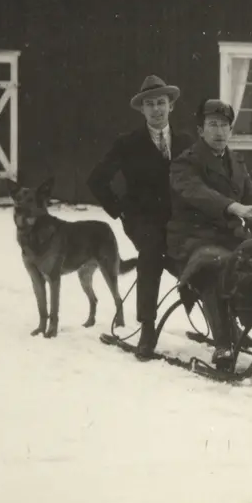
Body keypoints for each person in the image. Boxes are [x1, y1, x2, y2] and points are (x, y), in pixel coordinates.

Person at [167, 98, 252, 371]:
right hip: (193, 240)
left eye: (224, 125)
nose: (219, 131)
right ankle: (223, 344)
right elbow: (198, 193)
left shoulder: (237, 163)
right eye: (212, 125)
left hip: (230, 239)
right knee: (216, 266)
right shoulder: (185, 163)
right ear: (200, 130)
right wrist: (233, 206)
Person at [88, 75, 194, 359]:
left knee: (193, 259)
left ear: (171, 105)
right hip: (142, 220)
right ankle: (147, 328)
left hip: (178, 220)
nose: (156, 109)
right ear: (142, 110)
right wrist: (120, 209)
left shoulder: (187, 141)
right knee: (152, 253)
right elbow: (96, 180)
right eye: (150, 105)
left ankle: (220, 326)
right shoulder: (128, 143)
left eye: (161, 103)